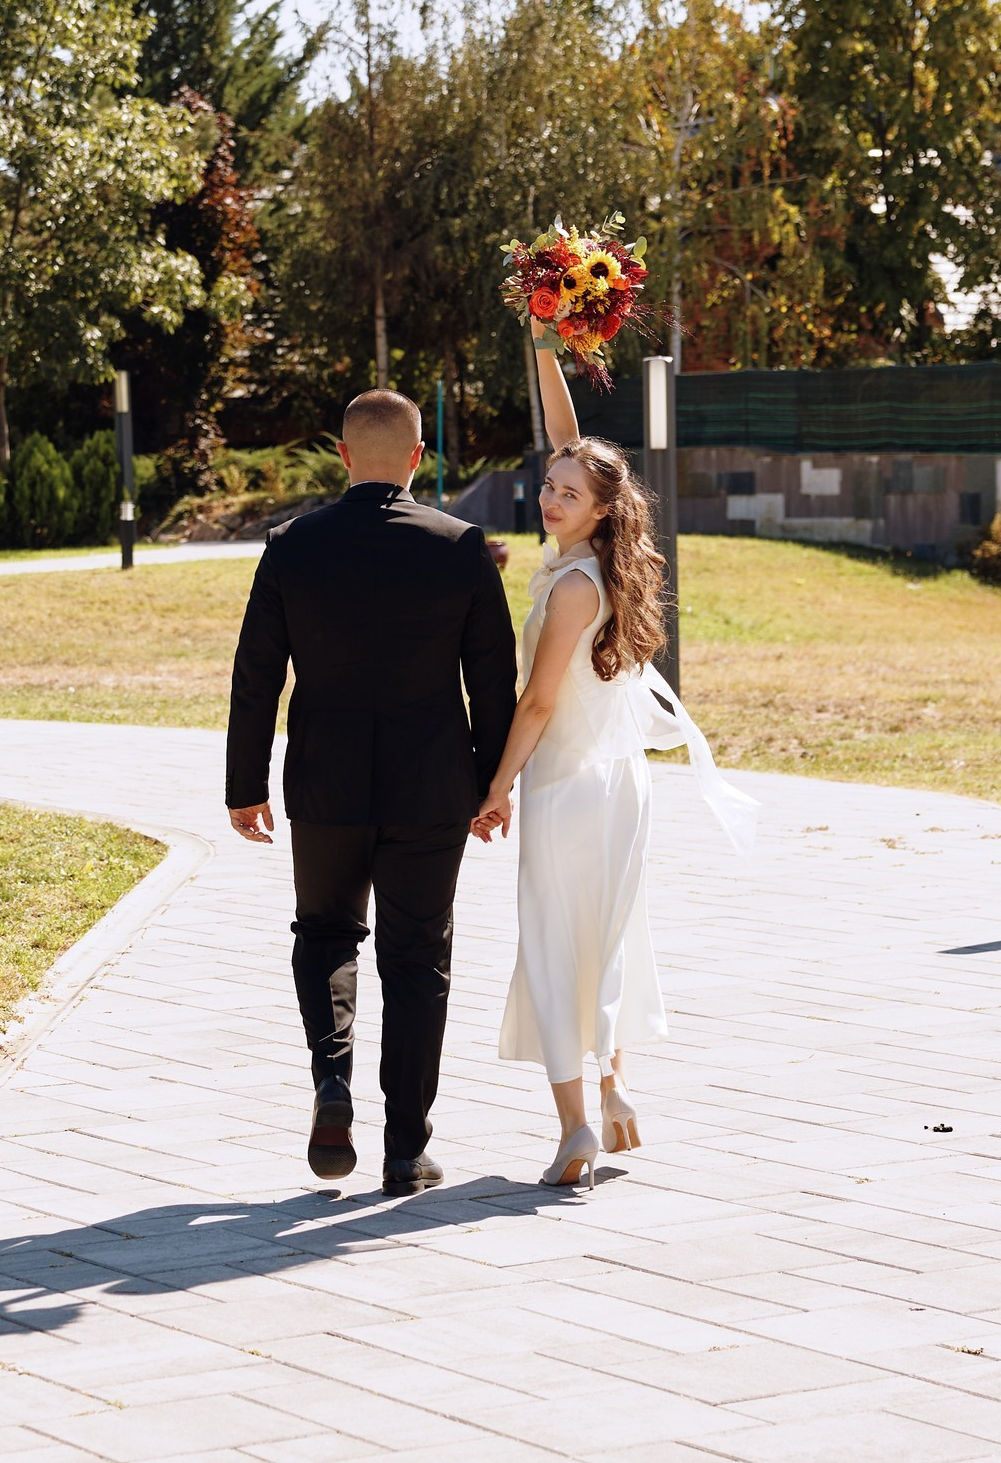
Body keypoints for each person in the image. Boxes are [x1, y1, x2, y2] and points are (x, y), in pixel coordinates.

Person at [471, 344, 756, 1188]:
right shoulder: (610, 565)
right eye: (550, 486)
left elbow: (538, 704)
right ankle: (617, 1083)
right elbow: (568, 437)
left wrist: (496, 788)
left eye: (567, 493)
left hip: (567, 788)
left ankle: (575, 1130)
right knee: (615, 931)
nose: (551, 497)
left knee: (556, 943)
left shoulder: (570, 589)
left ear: (599, 509)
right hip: (622, 783)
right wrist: (544, 342)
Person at [225, 389, 519, 1197]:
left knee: (325, 935)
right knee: (418, 957)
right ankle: (404, 1150)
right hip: (433, 786)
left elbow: (256, 676)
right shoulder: (462, 545)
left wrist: (243, 785)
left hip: (325, 781)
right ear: (419, 457)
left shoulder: (293, 544)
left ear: (345, 455)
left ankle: (331, 1080)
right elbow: (493, 679)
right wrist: (494, 784)